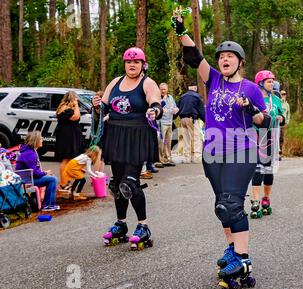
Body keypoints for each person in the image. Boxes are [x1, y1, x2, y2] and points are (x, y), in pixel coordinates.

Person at [172, 7, 270, 289]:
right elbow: (195, 57)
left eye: (230, 57)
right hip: (213, 152)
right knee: (221, 208)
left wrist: (251, 108)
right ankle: (231, 248)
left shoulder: (251, 88)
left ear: (240, 62)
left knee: (231, 205)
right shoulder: (213, 78)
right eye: (222, 57)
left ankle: (242, 257)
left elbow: (265, 120)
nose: (224, 60)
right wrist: (181, 30)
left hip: (242, 150)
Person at [94, 47, 163, 250]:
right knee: (117, 185)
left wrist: (155, 111)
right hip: (115, 136)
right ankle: (121, 223)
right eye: (128, 62)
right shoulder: (115, 82)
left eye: (136, 62)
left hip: (137, 137)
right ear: (124, 64)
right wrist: (98, 104)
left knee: (130, 183)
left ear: (143, 65)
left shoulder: (147, 83)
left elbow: (156, 102)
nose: (132, 65)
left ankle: (143, 226)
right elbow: (105, 105)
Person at [250, 70, 285, 219]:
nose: (272, 84)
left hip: (270, 136)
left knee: (268, 170)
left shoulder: (276, 99)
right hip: (255, 136)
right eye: (269, 81)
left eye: (272, 81)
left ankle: (266, 198)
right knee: (257, 169)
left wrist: (281, 117)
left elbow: (283, 116)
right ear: (260, 83)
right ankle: (255, 201)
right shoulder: (253, 98)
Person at [16, 131, 60, 212]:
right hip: (26, 180)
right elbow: (35, 172)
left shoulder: (30, 151)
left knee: (51, 177)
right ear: (35, 140)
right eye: (40, 138)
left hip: (29, 177)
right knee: (52, 179)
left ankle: (48, 203)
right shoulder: (29, 153)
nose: (42, 140)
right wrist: (45, 173)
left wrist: (44, 173)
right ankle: (48, 205)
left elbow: (34, 171)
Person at [55, 91, 83, 191]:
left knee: (69, 159)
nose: (77, 99)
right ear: (72, 98)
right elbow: (76, 117)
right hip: (67, 137)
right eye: (76, 98)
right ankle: (63, 184)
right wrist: (76, 106)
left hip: (68, 135)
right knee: (66, 159)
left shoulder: (64, 107)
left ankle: (66, 181)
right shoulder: (66, 109)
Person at [177, 80, 205, 164]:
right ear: (195, 88)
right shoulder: (197, 96)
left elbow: (177, 108)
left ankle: (187, 158)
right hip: (191, 119)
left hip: (183, 119)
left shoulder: (182, 96)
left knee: (186, 139)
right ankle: (196, 158)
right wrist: (205, 120)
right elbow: (201, 110)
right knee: (196, 138)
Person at [279, 90, 291, 158]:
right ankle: (276, 152)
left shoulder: (287, 104)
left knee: (281, 138)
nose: (284, 95)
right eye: (283, 94)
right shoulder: (278, 102)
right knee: (276, 137)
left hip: (283, 124)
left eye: (285, 94)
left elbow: (288, 113)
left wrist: (287, 121)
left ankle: (281, 152)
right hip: (277, 123)